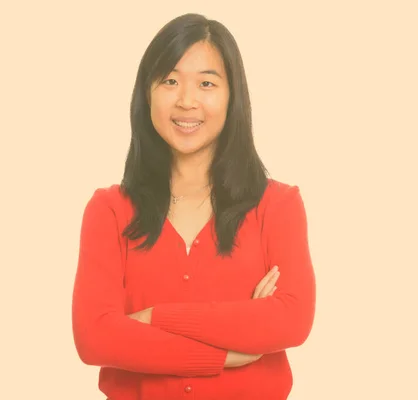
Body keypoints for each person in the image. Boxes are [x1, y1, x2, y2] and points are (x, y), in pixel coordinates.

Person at [71, 13, 316, 400]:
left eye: (206, 83)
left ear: (233, 96)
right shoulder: (109, 210)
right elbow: (94, 339)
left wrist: (153, 319)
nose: (186, 100)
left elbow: (291, 320)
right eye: (169, 81)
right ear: (146, 94)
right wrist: (230, 352)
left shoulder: (278, 206)